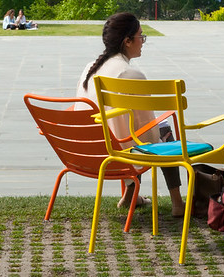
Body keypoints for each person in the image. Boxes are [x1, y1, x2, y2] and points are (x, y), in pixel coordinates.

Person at [76, 12, 186, 217]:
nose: (143, 42)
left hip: (91, 150)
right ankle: (177, 202)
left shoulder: (90, 69)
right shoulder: (131, 75)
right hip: (119, 151)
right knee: (164, 131)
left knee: (127, 128)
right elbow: (149, 130)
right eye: (140, 37)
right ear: (127, 41)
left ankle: (130, 195)